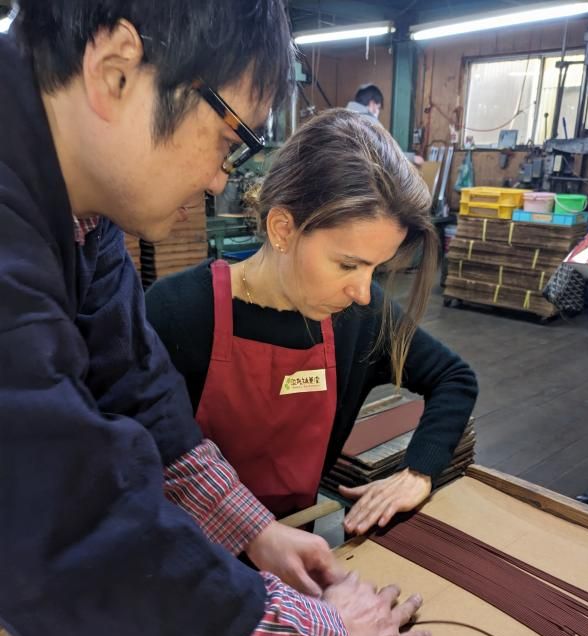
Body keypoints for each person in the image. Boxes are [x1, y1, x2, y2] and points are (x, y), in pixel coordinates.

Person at [0, 2, 431, 636]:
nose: (215, 181)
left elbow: (138, 391)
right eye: (228, 137)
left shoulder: (84, 214)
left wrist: (254, 531)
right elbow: (55, 512)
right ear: (115, 71)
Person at [146, 110, 478, 537]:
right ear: (283, 229)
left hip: (297, 543)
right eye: (347, 264)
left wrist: (418, 471)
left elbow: (455, 377)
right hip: (182, 554)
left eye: (374, 270)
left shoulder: (361, 315)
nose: (362, 290)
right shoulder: (178, 311)